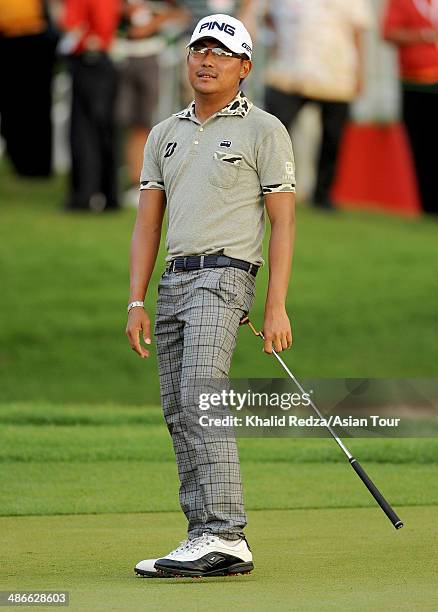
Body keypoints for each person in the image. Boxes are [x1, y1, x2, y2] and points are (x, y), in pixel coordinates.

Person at [126, 14, 296, 577]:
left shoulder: (264, 129)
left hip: (225, 276)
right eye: (199, 49)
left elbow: (283, 222)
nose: (206, 60)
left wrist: (275, 304)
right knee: (178, 410)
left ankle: (225, 532)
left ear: (244, 67)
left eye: (221, 53)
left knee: (201, 395)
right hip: (174, 279)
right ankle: (203, 534)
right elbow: (147, 225)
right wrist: (136, 301)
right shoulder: (164, 134)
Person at [264, 0, 373, 210]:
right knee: (274, 131)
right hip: (289, 71)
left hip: (336, 73)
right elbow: (268, 17)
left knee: (332, 138)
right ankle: (269, 187)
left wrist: (360, 73)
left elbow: (358, 33)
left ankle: (323, 193)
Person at [115, 0, 187, 207]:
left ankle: (143, 182)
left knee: (145, 123)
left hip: (151, 56)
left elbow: (179, 13)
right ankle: (130, 180)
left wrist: (155, 21)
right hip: (122, 54)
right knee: (125, 123)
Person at [60, 0, 122, 212]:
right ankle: (103, 194)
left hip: (91, 63)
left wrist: (85, 39)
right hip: (94, 63)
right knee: (98, 132)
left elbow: (75, 25)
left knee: (87, 133)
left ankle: (88, 195)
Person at [382, 0, 438, 215]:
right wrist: (423, 35)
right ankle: (429, 207)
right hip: (416, 83)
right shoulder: (403, 2)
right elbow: (388, 32)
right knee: (422, 147)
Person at [0, 0, 58, 177]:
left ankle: (40, 165)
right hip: (7, 39)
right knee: (12, 106)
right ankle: (19, 162)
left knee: (37, 105)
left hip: (35, 37)